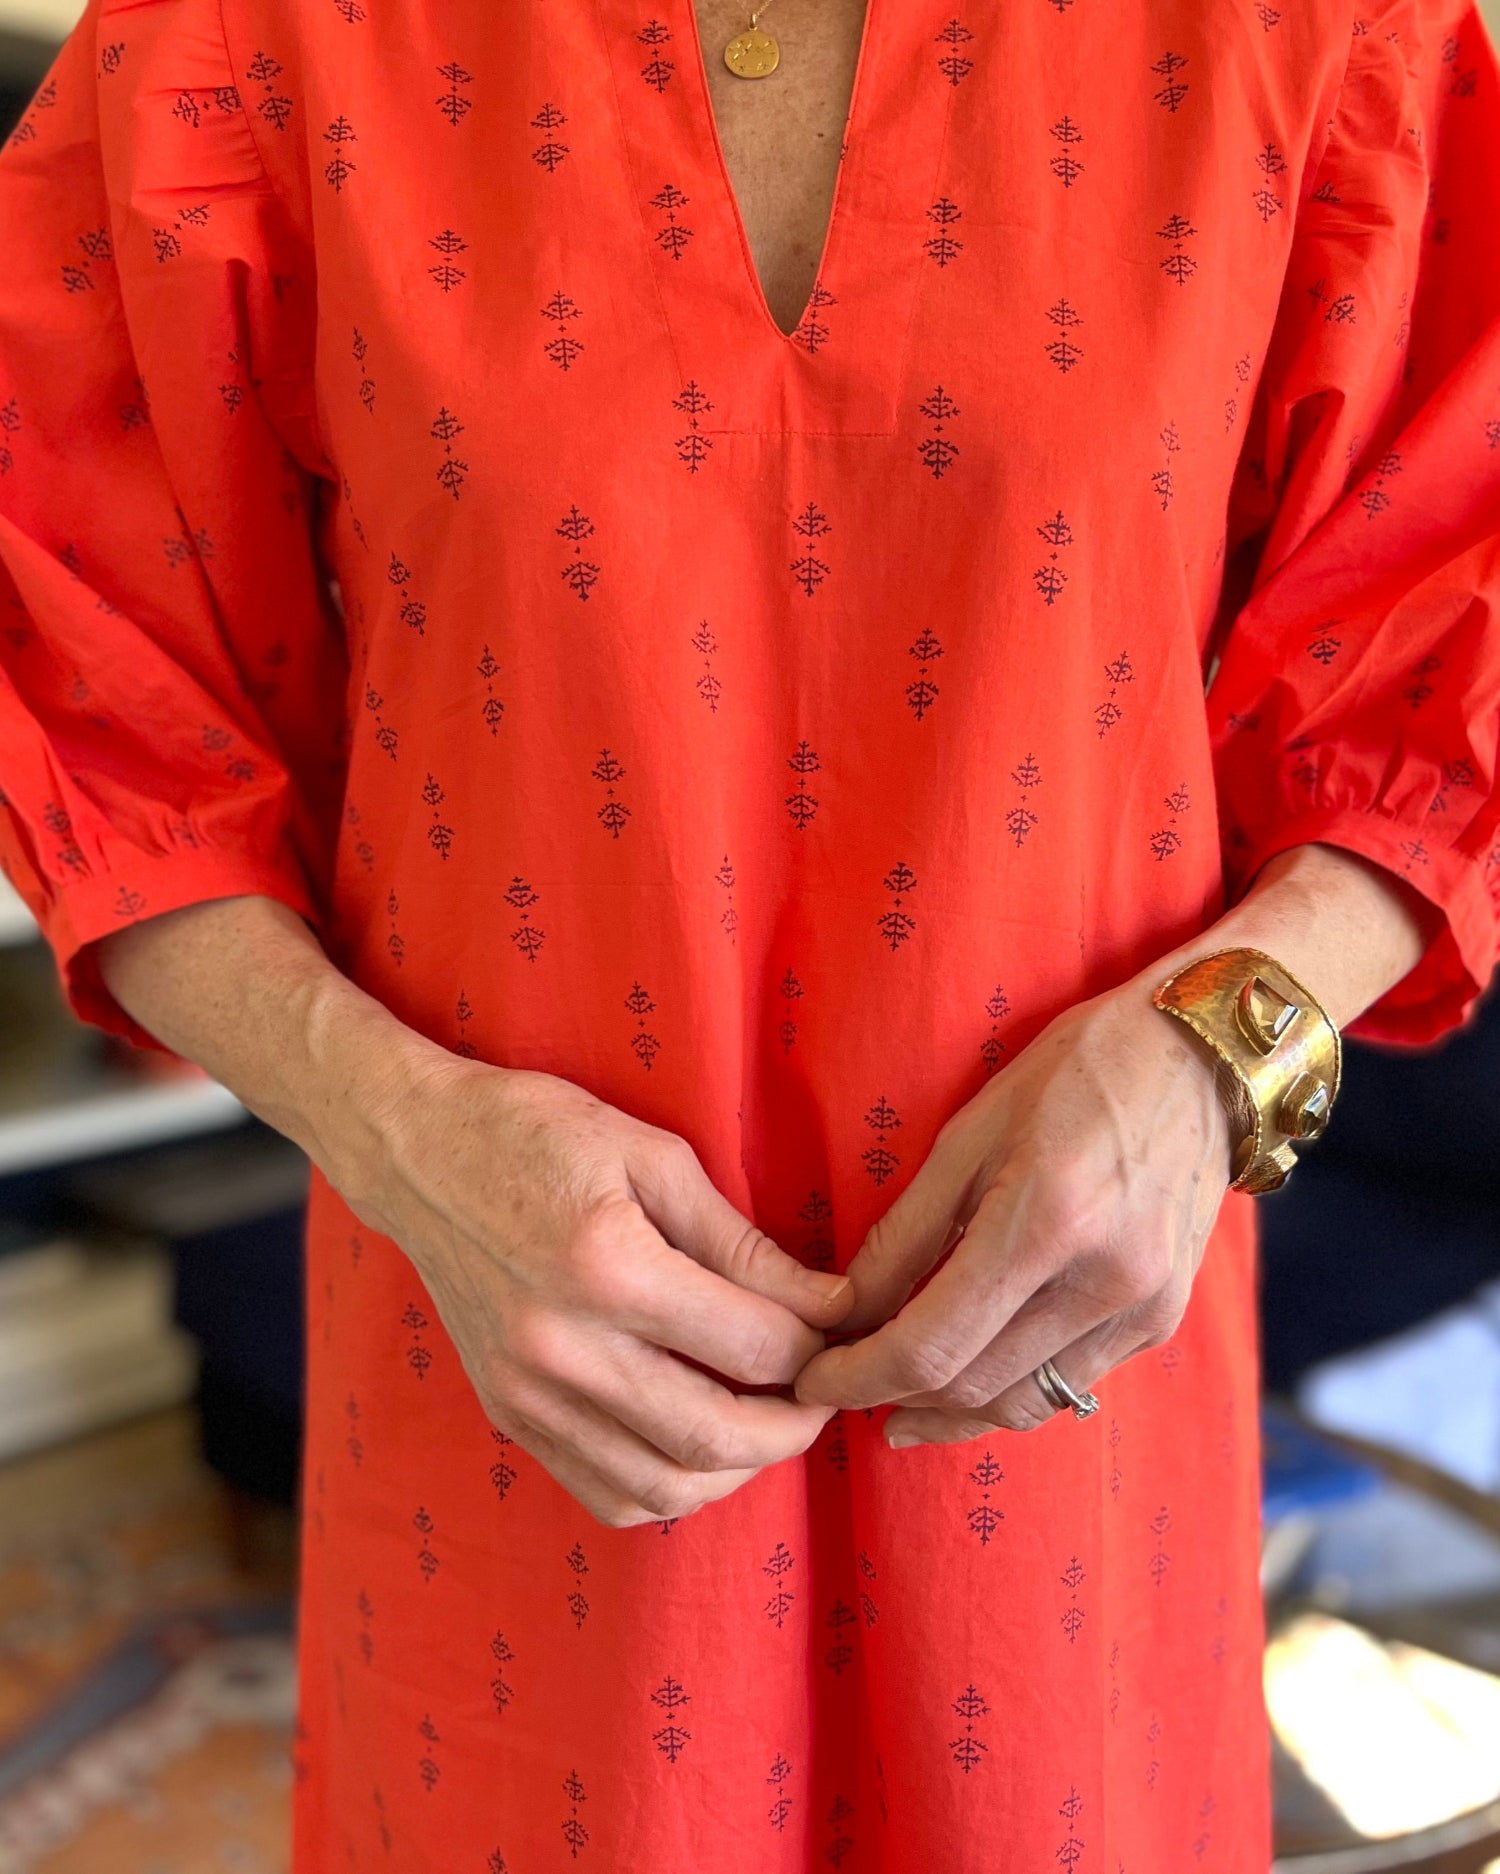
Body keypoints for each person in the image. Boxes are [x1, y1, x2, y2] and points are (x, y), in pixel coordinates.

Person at [1, 0, 1497, 1865]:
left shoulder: (1319, 29)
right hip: (523, 1376)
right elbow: (104, 709)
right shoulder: (244, 43)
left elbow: (1437, 645)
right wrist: (391, 1129)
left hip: (1070, 1401)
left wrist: (1224, 1059)